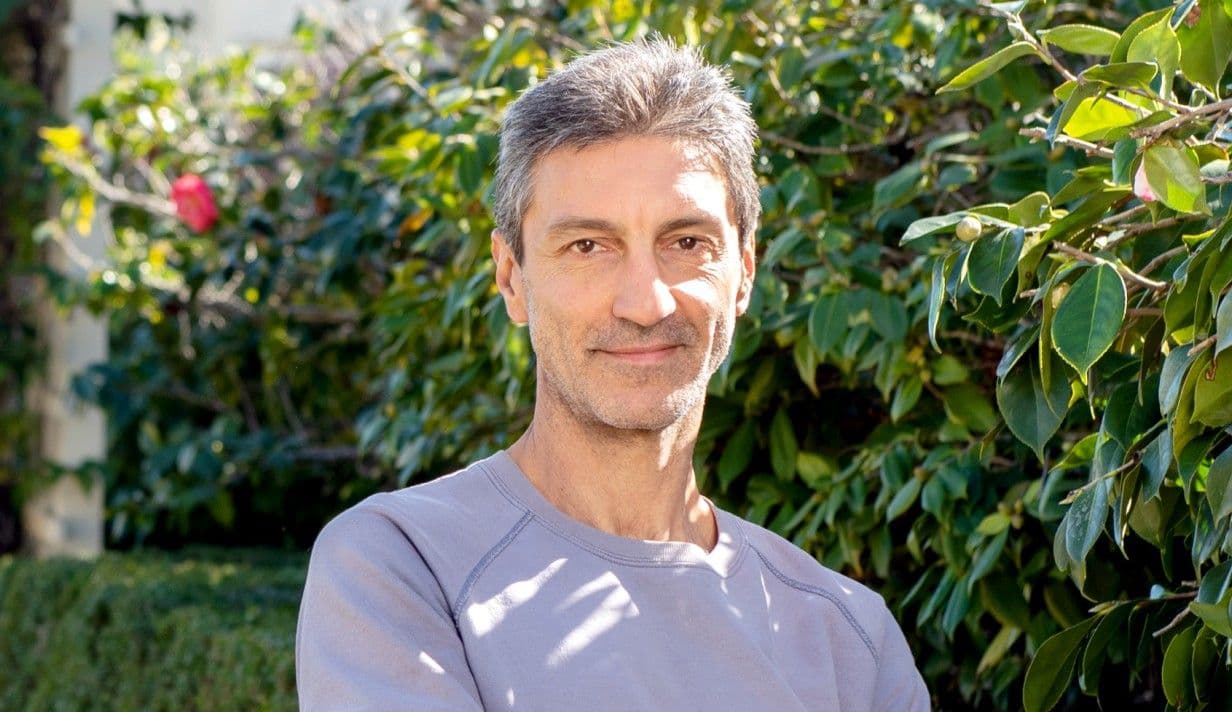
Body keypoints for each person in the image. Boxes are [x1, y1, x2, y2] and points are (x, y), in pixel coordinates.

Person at [296, 37, 930, 711]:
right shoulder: (403, 567)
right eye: (588, 246)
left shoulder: (847, 636)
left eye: (686, 242)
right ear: (511, 278)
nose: (645, 303)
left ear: (743, 272)